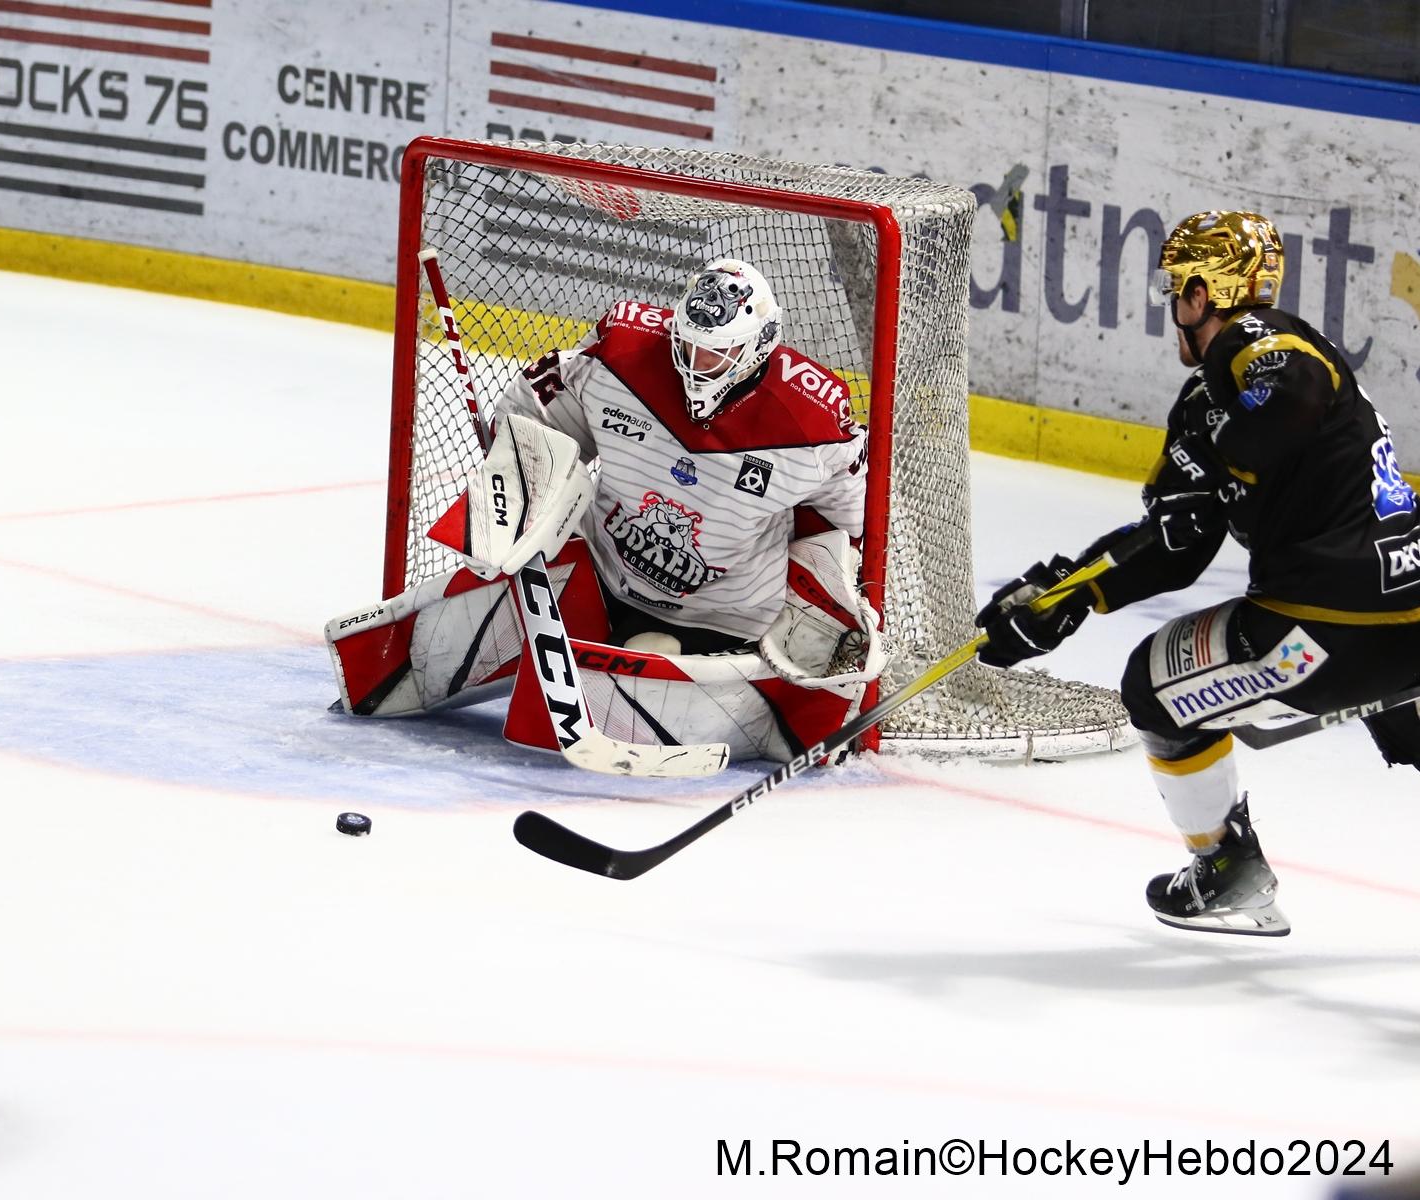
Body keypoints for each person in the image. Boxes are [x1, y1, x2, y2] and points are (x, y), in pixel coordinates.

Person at [975, 210, 1420, 936]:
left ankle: (1226, 868)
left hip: (1322, 632)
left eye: (1174, 289)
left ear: (1200, 291)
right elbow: (1178, 546)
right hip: (1408, 613)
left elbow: (1296, 395)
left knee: (1151, 687)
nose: (1170, 307)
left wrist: (1219, 453)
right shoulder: (1209, 401)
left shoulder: (1259, 342)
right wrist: (1067, 594)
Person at [325, 257, 886, 765]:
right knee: (477, 605)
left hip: (721, 622)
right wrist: (516, 469)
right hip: (599, 578)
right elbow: (536, 412)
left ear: (760, 346)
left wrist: (832, 597)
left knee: (640, 663)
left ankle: (766, 710)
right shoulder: (623, 355)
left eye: (716, 353)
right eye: (686, 345)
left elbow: (846, 524)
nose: (695, 363)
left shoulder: (813, 423)